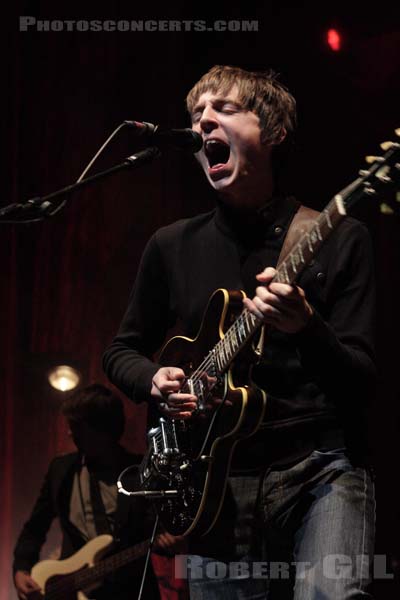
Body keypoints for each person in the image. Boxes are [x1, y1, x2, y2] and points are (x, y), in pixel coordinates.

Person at [103, 65, 376, 599]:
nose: (203, 121)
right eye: (196, 116)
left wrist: (307, 329)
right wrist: (155, 377)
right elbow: (121, 350)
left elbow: (363, 381)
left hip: (320, 469)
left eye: (224, 109)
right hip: (216, 489)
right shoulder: (171, 246)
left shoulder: (341, 237)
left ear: (273, 133)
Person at [13, 383, 163, 600]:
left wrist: (168, 543)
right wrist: (22, 568)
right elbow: (35, 527)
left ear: (103, 430)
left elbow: (155, 530)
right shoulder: (61, 470)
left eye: (77, 426)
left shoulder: (139, 471)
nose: (70, 432)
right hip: (70, 589)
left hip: (128, 591)